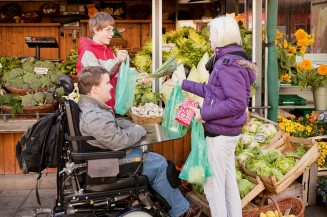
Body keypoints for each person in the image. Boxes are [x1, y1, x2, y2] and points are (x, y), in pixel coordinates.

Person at [77, 66, 202, 217]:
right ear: (95, 89)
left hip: (106, 156)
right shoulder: (94, 115)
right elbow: (118, 140)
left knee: (153, 156)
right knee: (159, 164)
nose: (111, 86)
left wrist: (133, 127)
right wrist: (139, 130)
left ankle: (171, 203)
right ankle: (182, 212)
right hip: (107, 162)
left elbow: (116, 124)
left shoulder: (91, 107)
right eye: (107, 83)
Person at [177, 16, 256, 217]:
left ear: (220, 35)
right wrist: (183, 84)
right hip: (226, 132)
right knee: (228, 183)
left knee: (213, 186)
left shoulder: (228, 63)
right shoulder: (230, 59)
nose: (210, 38)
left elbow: (237, 103)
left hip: (220, 134)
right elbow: (214, 92)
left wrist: (202, 114)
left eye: (212, 34)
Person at [76, 12, 128, 110]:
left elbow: (113, 76)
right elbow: (97, 77)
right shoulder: (87, 50)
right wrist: (116, 60)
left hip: (109, 105)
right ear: (95, 30)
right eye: (108, 30)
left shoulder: (108, 51)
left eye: (112, 30)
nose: (112, 34)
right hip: (95, 109)